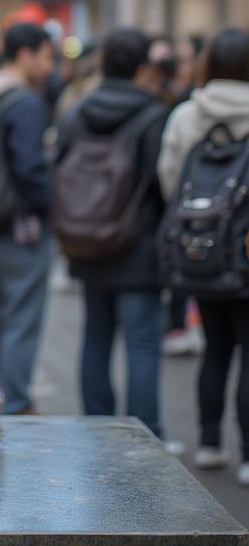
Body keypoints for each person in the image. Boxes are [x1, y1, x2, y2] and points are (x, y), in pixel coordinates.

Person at [55, 28, 170, 439]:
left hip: (86, 241)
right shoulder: (154, 115)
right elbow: (161, 182)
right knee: (140, 344)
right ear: (143, 67)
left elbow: (61, 169)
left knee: (96, 338)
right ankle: (144, 434)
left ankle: (97, 427)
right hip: (136, 243)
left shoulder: (77, 112)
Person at [158, 28, 249, 483]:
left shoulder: (187, 115)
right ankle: (248, 454)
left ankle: (210, 442)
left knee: (216, 348)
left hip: (202, 251)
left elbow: (169, 181)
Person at [0, 22, 55, 415]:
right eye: (47, 56)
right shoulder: (24, 102)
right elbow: (30, 168)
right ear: (26, 54)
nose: (50, 66)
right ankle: (15, 403)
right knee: (22, 316)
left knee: (5, 312)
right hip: (22, 224)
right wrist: (50, 206)